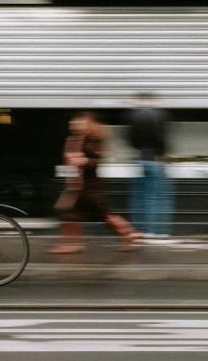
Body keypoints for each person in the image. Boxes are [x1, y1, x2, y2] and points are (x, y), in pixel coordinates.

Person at [50, 112, 139, 254]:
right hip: (75, 186)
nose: (73, 124)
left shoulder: (94, 139)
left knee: (106, 216)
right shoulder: (73, 139)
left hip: (92, 187)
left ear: (87, 124)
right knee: (70, 216)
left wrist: (84, 161)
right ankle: (71, 244)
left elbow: (98, 161)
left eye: (78, 122)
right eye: (73, 122)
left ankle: (131, 236)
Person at [127, 92, 172, 239]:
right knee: (155, 197)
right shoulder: (159, 115)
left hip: (140, 158)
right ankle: (153, 230)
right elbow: (162, 138)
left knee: (139, 196)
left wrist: (140, 149)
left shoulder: (133, 115)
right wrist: (161, 154)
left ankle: (138, 229)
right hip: (155, 159)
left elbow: (130, 139)